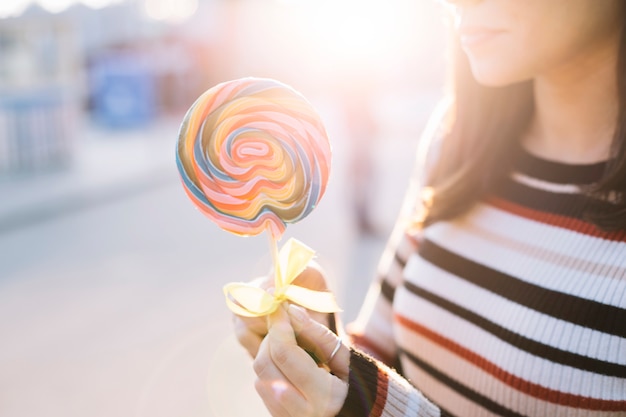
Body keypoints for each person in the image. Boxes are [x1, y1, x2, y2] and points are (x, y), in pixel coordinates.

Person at [233, 0, 626, 416]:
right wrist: (319, 347)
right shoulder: (455, 141)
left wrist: (364, 411)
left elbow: (386, 406)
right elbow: (384, 360)